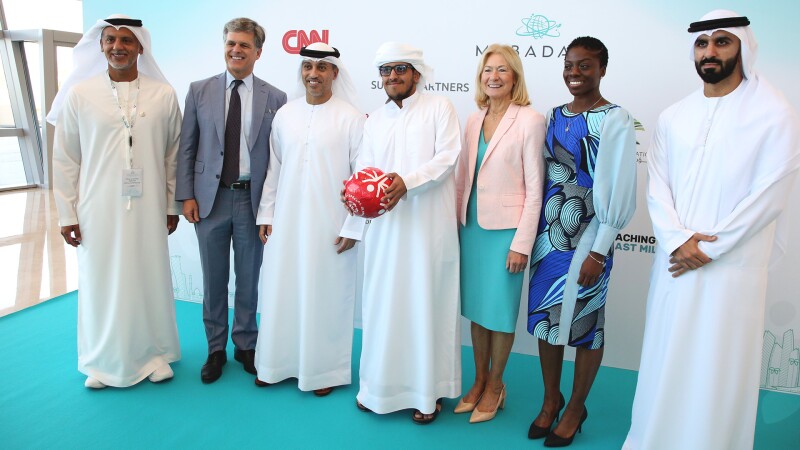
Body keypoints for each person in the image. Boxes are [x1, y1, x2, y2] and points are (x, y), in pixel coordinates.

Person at [623, 10, 800, 450]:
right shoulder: (673, 116)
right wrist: (679, 241)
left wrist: (710, 251)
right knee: (668, 357)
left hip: (732, 268)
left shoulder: (773, 112)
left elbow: (770, 195)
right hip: (675, 261)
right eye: (703, 44)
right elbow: (657, 187)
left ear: (743, 46)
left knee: (719, 365)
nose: (711, 52)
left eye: (722, 42)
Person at [49, 14, 182, 388]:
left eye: (126, 40)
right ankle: (101, 361)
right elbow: (65, 158)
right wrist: (66, 212)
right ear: (101, 45)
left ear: (141, 47)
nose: (117, 47)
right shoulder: (80, 94)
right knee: (101, 279)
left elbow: (173, 156)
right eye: (110, 40)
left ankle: (155, 353)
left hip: (149, 204)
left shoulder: (163, 94)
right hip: (96, 207)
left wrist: (172, 205)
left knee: (148, 275)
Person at [526, 36, 637, 446]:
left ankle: (575, 407)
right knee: (546, 321)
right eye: (570, 65)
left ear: (602, 68)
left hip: (591, 234)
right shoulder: (554, 115)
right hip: (550, 234)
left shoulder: (615, 119)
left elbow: (619, 185)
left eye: (585, 65)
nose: (575, 73)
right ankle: (550, 400)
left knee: (587, 324)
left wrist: (600, 248)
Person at [353, 42, 462, 424]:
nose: (392, 77)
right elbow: (365, 168)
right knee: (383, 305)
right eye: (386, 70)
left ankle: (426, 394)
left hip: (428, 229)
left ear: (416, 73)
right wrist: (356, 191)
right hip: (386, 229)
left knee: (424, 303)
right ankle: (377, 388)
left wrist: (406, 182)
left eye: (400, 69)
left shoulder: (440, 108)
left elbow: (447, 159)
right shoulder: (375, 120)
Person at [176, 18, 287, 383]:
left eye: (243, 45)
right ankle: (214, 349)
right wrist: (185, 195)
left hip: (251, 201)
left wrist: (272, 207)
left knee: (249, 278)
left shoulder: (276, 97)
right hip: (209, 200)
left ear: (258, 51)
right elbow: (186, 147)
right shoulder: (198, 90)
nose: (235, 50)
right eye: (230, 44)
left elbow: (275, 157)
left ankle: (245, 344)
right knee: (213, 279)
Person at [252, 43, 364, 395]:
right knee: (280, 290)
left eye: (321, 68)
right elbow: (274, 167)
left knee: (326, 294)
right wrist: (266, 213)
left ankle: (323, 371)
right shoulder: (285, 114)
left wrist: (353, 227)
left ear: (334, 72)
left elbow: (361, 179)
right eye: (307, 67)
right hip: (286, 221)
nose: (313, 74)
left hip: (330, 224)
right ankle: (275, 364)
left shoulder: (351, 117)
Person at [454, 44, 545, 423]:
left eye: (502, 70)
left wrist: (521, 244)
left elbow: (536, 188)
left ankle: (496, 385)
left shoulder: (530, 119)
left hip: (506, 233)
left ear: (515, 77)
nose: (494, 76)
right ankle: (477, 382)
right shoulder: (473, 119)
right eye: (488, 70)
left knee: (500, 313)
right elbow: (463, 178)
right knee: (477, 310)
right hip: (472, 227)